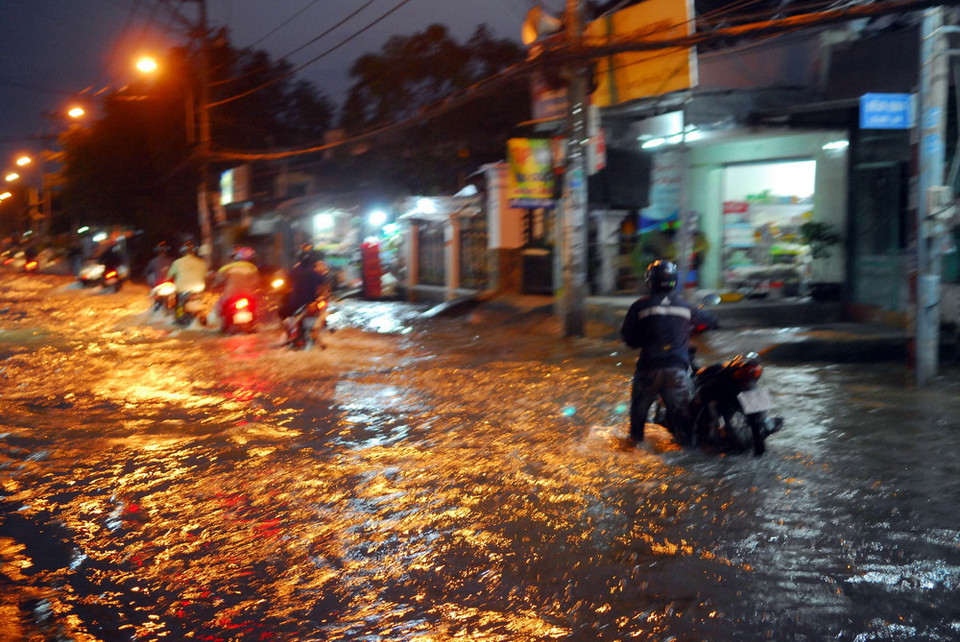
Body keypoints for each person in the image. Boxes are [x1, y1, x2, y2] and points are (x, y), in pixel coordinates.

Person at [620, 259, 717, 448]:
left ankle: (636, 445)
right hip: (677, 371)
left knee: (638, 419)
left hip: (648, 370)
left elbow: (629, 338)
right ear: (675, 281)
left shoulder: (639, 306)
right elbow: (711, 321)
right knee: (684, 424)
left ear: (650, 281)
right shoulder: (686, 307)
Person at [279, 245, 332, 321]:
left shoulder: (293, 272)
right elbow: (324, 287)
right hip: (310, 304)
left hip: (296, 305)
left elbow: (286, 286)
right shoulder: (315, 274)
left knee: (282, 312)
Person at [213, 246, 261, 319]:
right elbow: (256, 282)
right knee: (255, 305)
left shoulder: (226, 268)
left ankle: (224, 321)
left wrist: (216, 285)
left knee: (221, 307)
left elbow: (219, 280)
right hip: (248, 293)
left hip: (231, 293)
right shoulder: (252, 268)